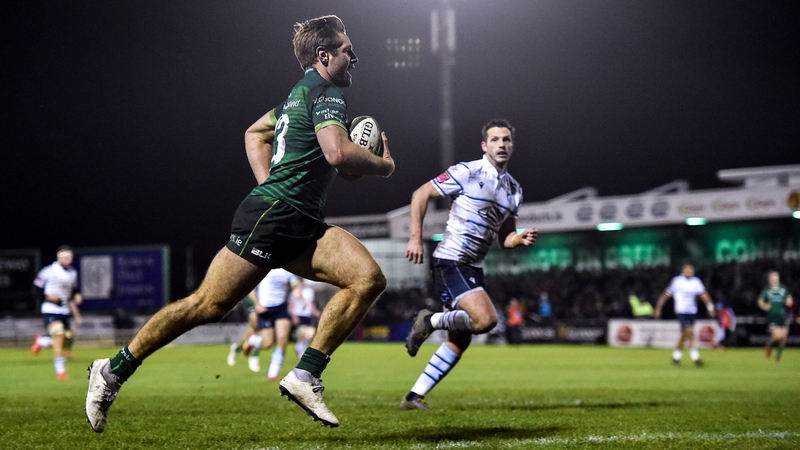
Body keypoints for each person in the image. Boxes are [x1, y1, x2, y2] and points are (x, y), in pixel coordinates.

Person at [86, 14, 395, 432]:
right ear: (324, 56)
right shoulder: (326, 93)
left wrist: (274, 183)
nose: (354, 57)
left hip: (300, 219)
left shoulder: (296, 97)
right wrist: (384, 166)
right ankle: (111, 370)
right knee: (206, 306)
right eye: (346, 50)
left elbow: (255, 134)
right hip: (274, 216)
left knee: (367, 279)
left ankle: (305, 375)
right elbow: (338, 156)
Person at [401, 118, 538, 410]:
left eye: (506, 140)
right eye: (495, 140)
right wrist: (415, 238)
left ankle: (414, 397)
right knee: (487, 320)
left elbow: (505, 236)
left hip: (473, 267)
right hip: (451, 260)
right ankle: (430, 320)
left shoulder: (514, 190)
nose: (501, 144)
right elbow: (421, 194)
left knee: (459, 341)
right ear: (484, 145)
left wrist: (518, 238)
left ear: (512, 145)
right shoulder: (468, 171)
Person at [31, 245, 83, 380]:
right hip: (50, 309)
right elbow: (34, 291)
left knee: (66, 339)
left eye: (70, 257)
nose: (69, 259)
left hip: (65, 311)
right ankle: (61, 372)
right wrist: (48, 296)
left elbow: (73, 290)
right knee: (59, 335)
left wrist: (76, 295)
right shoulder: (48, 271)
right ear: (59, 257)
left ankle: (41, 341)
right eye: (66, 257)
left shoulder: (73, 273)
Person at [654, 264, 715, 367]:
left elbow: (704, 294)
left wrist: (710, 307)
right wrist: (658, 307)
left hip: (692, 311)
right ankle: (696, 358)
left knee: (684, 334)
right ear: (683, 272)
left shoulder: (696, 282)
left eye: (690, 271)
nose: (689, 273)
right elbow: (666, 294)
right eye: (687, 271)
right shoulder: (677, 281)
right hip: (681, 311)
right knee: (689, 331)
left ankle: (676, 357)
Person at [244, 268, 295, 379]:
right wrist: (257, 304)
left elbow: (295, 286)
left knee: (282, 340)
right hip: (265, 309)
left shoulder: (289, 268)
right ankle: (252, 340)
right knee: (267, 344)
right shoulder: (265, 266)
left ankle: (273, 374)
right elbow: (249, 287)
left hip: (281, 308)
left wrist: (299, 298)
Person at [757, 270, 793, 362]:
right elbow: (760, 301)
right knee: (777, 336)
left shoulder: (783, 288)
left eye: (776, 277)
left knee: (784, 336)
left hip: (782, 314)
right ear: (769, 279)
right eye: (773, 277)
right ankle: (770, 346)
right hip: (773, 315)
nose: (775, 279)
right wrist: (765, 306)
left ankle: (778, 356)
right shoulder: (767, 290)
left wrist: (789, 301)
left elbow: (789, 298)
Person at [226, 291, 260, 370]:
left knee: (252, 330)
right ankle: (255, 356)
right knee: (258, 327)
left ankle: (237, 348)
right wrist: (257, 303)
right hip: (253, 301)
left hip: (263, 301)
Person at [289, 277, 320, 359]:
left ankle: (299, 347)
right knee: (302, 334)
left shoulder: (309, 291)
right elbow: (291, 305)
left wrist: (316, 312)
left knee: (310, 334)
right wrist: (293, 316)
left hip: (308, 315)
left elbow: (312, 303)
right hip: (299, 314)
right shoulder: (295, 292)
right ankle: (300, 350)